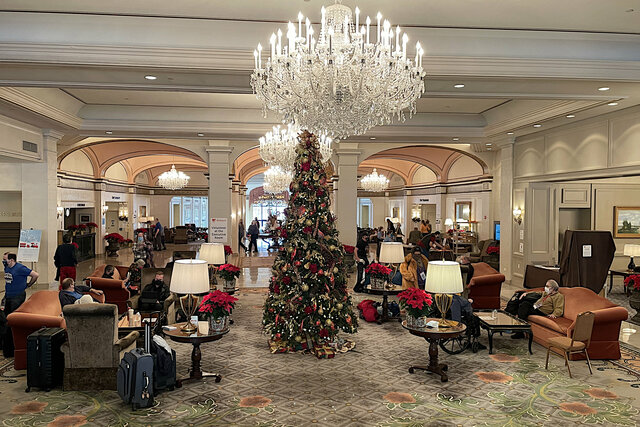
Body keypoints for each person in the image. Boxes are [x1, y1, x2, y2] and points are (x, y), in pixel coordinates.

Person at [3, 252, 39, 356]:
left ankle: (15, 346)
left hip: (17, 297)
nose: (4, 261)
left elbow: (35, 275)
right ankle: (8, 347)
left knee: (13, 321)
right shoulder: (7, 267)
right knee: (7, 321)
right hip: (9, 296)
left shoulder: (20, 268)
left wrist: (28, 284)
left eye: (5, 259)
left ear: (12, 260)